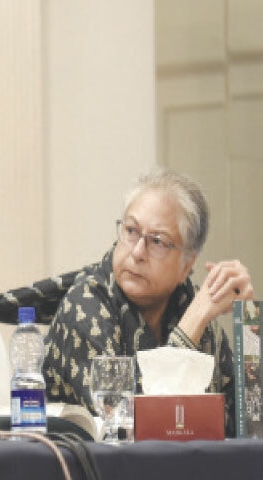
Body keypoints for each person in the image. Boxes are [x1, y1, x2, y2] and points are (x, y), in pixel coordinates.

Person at [43, 168, 254, 435]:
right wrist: (189, 329)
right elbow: (132, 430)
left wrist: (248, 323)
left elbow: (250, 424)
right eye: (130, 231)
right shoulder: (85, 306)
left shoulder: (190, 307)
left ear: (187, 265)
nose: (137, 251)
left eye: (157, 241)